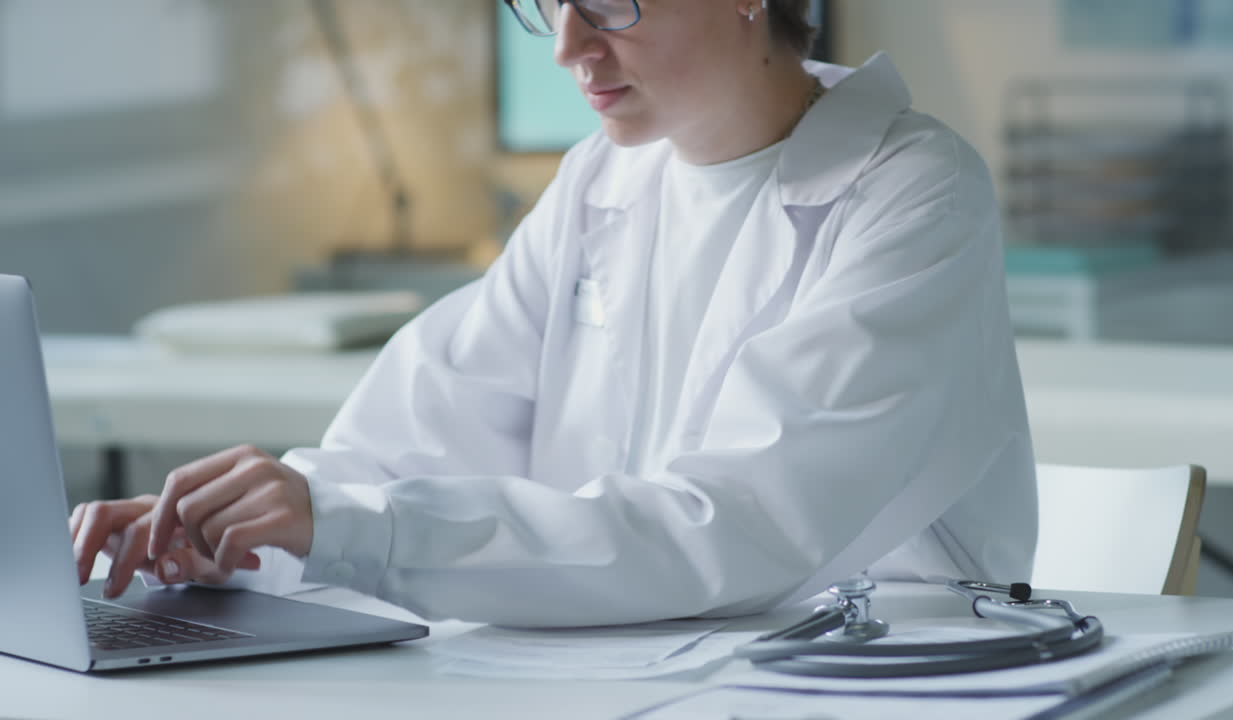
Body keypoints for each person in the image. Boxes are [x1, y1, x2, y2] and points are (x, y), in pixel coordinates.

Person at [70, 0, 1037, 627]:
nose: (570, 45)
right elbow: (415, 436)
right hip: (629, 664)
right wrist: (246, 532)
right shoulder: (604, 179)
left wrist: (346, 524)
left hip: (862, 672)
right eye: (549, 3)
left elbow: (738, 525)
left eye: (610, 2)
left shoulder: (914, 192)